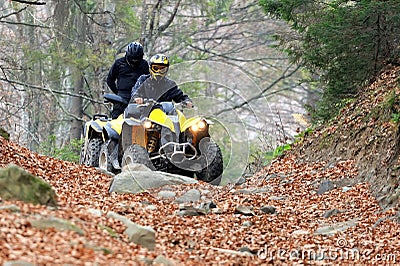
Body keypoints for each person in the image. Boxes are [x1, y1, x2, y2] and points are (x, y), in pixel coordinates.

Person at [106, 42, 149, 119]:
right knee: (115, 118)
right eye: (132, 59)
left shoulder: (144, 64)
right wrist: (117, 94)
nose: (134, 61)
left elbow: (148, 81)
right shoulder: (119, 63)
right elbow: (110, 80)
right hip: (122, 97)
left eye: (137, 59)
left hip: (139, 98)